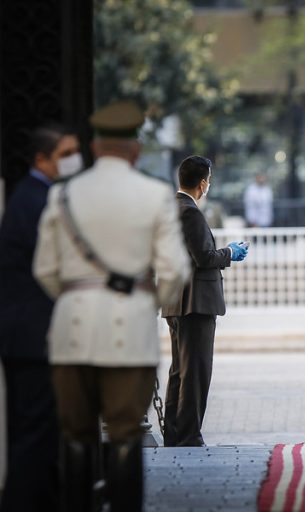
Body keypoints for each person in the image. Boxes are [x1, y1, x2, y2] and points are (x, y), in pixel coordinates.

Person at [32, 100, 190, 511]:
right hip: (129, 330)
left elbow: (45, 270)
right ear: (134, 149)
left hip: (72, 329)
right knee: (124, 433)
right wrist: (145, 302)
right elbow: (174, 272)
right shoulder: (155, 195)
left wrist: (76, 297)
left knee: (76, 432)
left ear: (95, 147)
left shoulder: (62, 195)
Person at [0, 123, 80, 511]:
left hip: (33, 335)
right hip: (34, 337)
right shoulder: (36, 201)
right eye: (65, 154)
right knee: (34, 437)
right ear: (41, 159)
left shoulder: (36, 196)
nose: (73, 161)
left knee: (43, 435)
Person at [161, 156, 248, 447]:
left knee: (179, 371)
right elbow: (205, 257)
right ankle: (188, 435)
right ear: (202, 183)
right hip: (194, 302)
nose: (208, 185)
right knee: (195, 372)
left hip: (176, 300)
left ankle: (174, 432)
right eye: (208, 180)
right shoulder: (190, 212)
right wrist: (230, 252)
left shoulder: (170, 208)